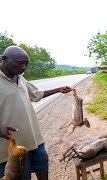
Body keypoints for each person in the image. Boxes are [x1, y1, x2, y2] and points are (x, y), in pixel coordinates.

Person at [0, 46, 72, 180]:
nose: (23, 67)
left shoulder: (20, 78)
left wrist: (58, 90)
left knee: (42, 168)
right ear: (5, 59)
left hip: (34, 140)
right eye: (19, 63)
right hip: (12, 150)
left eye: (26, 64)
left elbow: (36, 94)